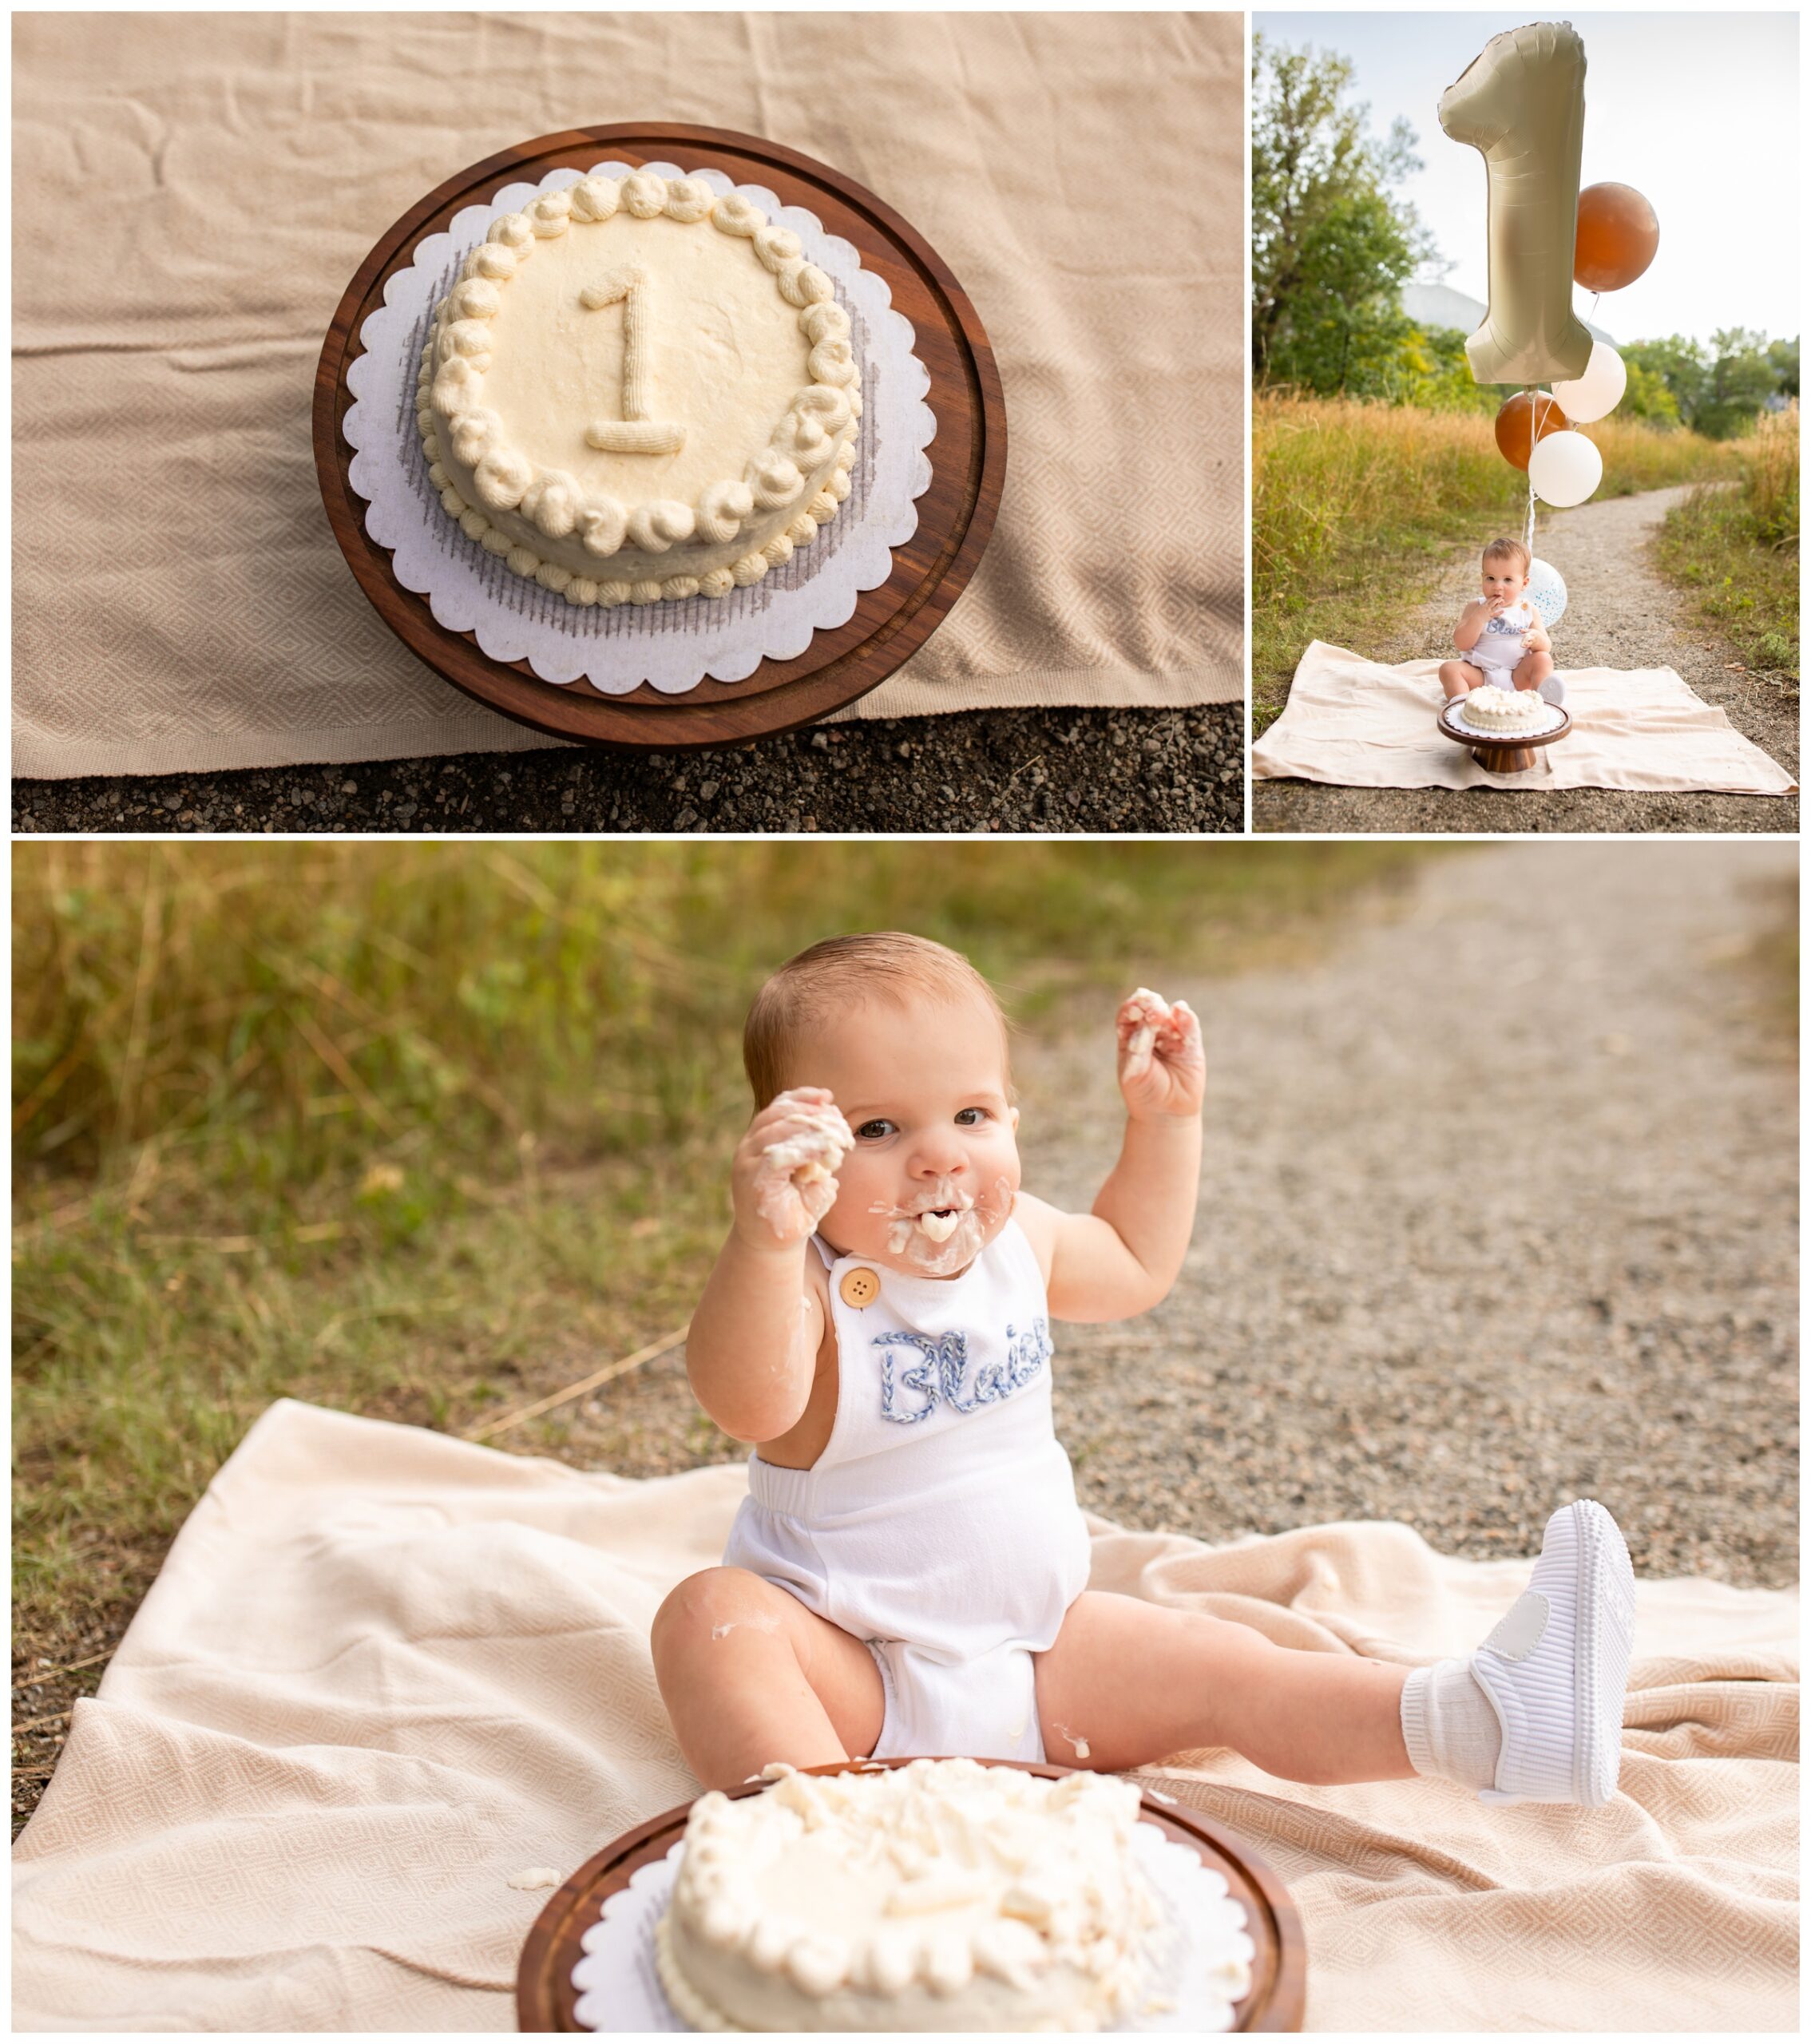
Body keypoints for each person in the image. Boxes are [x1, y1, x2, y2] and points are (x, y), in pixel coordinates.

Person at [651, 933, 1634, 1813]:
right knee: (711, 1618)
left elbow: (1132, 1260)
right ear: (799, 1156)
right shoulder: (810, 1287)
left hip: (1042, 1662)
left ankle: (1491, 1718)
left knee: (1231, 1667)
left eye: (971, 1114)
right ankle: (822, 1840)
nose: (938, 1158)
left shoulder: (1020, 1240)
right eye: (878, 1131)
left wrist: (1164, 1124)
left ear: (1013, 1115)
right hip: (855, 1677)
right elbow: (748, 1399)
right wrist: (764, 1244)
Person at [1440, 537, 1565, 707]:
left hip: (1517, 677)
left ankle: (1544, 701)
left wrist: (1535, 638)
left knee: (1543, 659)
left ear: (1524, 583)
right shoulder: (1475, 607)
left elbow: (1546, 646)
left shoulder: (1528, 610)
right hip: (1480, 677)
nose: (1498, 586)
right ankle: (1461, 705)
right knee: (1449, 669)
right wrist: (1479, 617)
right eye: (1491, 578)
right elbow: (1461, 643)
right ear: (1482, 578)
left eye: (1507, 580)